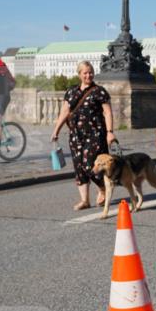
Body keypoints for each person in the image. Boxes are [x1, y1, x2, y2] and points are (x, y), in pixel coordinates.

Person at [50, 61, 116, 210]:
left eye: (91, 72)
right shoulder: (72, 91)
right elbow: (64, 112)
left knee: (89, 164)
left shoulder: (99, 91)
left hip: (95, 134)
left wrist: (110, 132)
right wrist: (56, 131)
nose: (88, 75)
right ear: (79, 74)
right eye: (85, 73)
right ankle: (85, 200)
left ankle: (103, 188)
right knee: (79, 167)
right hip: (75, 135)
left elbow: (108, 112)